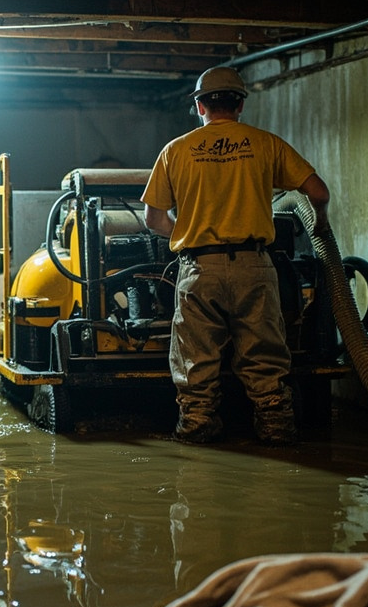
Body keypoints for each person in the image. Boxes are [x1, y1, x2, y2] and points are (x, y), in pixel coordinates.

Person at [141, 65, 332, 444]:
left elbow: (153, 219)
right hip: (254, 266)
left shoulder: (175, 151)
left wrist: (190, 233)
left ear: (199, 106)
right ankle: (276, 426)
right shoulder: (265, 144)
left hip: (200, 270)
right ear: (240, 105)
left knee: (195, 357)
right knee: (265, 354)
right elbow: (319, 192)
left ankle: (197, 425)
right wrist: (321, 224)